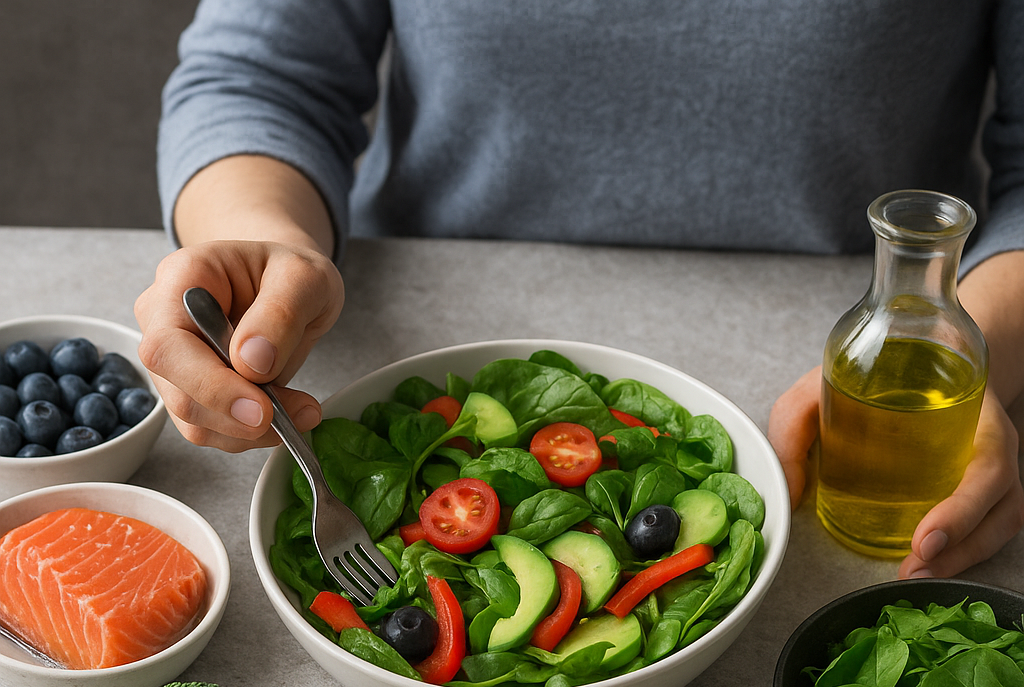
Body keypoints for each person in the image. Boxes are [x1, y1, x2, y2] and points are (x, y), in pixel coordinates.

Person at [135, 0, 1024, 580]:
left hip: (844, 369)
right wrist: (264, 246)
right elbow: (258, 77)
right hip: (409, 329)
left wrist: (955, 354)